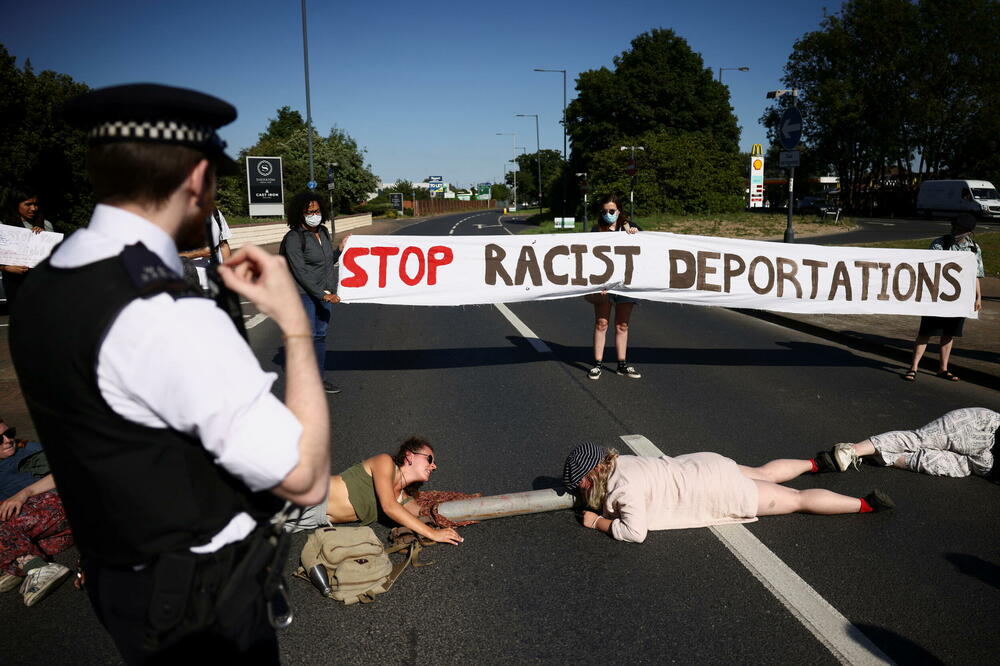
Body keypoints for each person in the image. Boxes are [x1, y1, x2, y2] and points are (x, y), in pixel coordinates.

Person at [9, 83, 330, 663]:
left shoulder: (50, 279)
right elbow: (304, 477)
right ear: (196, 177)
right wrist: (295, 328)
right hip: (202, 607)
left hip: (119, 579)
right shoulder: (164, 312)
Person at [563, 442, 894, 543]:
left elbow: (636, 532)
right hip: (704, 464)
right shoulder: (624, 461)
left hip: (717, 492)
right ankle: (815, 462)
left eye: (581, 486)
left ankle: (864, 504)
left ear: (593, 478)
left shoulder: (621, 489)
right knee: (764, 472)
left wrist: (597, 522)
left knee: (796, 500)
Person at [285, 437, 464, 545]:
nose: (434, 466)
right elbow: (389, 507)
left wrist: (473, 508)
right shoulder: (384, 462)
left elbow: (424, 514)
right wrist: (433, 534)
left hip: (314, 519)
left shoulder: (402, 498)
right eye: (429, 459)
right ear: (409, 456)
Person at [0, 418, 74, 606]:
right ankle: (21, 564)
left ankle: (37, 567)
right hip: (50, 532)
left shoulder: (27, 452)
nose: (8, 440)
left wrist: (24, 493)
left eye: (9, 434)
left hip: (58, 506)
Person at [904, 213, 984, 382]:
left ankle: (943, 369)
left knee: (948, 333)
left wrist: (978, 297)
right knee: (925, 332)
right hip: (936, 297)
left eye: (960, 229)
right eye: (954, 227)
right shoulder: (940, 243)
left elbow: (976, 275)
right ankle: (913, 367)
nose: (955, 230)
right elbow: (929, 266)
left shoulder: (974, 249)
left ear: (969, 231)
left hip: (958, 299)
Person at [820, 408, 999, 482]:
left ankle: (877, 456)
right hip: (985, 430)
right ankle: (851, 450)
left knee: (928, 462)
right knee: (921, 439)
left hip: (986, 464)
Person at [280, 191, 344, 395]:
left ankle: (318, 379)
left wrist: (340, 250)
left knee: (320, 336)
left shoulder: (323, 232)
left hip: (323, 294)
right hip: (304, 295)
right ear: (300, 214)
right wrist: (322, 295)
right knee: (307, 337)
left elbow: (327, 263)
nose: (314, 215)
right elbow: (300, 273)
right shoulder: (294, 238)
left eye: (316, 211)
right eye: (309, 212)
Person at [584, 195, 641, 380]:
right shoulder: (596, 231)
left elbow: (646, 249)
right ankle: (597, 364)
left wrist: (635, 234)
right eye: (604, 211)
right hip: (604, 285)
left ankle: (622, 364)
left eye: (611, 211)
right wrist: (596, 284)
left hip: (625, 284)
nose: (608, 214)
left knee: (622, 325)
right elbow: (589, 258)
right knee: (602, 323)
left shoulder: (630, 228)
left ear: (619, 211)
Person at [1, 187, 55, 308]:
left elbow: (54, 255)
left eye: (35, 204)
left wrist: (43, 237)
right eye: (28, 204)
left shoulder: (46, 224)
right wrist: (6, 267)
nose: (33, 208)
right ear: (16, 204)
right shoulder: (3, 225)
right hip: (15, 284)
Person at [179, 207, 233, 293]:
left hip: (216, 283)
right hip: (189, 286)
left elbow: (223, 246)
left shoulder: (215, 213)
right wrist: (198, 253)